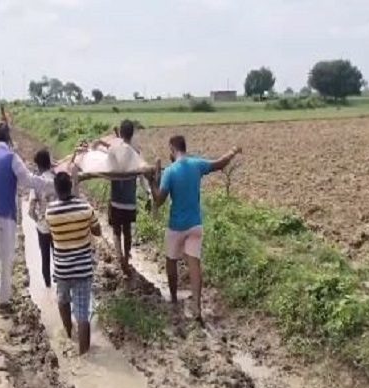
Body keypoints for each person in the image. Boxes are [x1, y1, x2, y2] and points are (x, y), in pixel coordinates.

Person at [149, 135, 242, 323]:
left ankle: (174, 298)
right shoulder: (197, 164)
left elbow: (159, 200)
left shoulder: (170, 172)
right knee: (194, 266)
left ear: (172, 150)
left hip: (176, 226)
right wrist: (233, 151)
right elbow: (219, 164)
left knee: (171, 262)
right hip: (195, 225)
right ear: (185, 148)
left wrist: (152, 182)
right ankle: (197, 308)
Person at [0, 122, 55, 312]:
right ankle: (4, 301)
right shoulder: (12, 157)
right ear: (8, 140)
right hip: (6, 214)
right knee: (5, 258)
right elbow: (28, 181)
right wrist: (50, 184)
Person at [45, 171, 101, 355]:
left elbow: (48, 233)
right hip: (83, 269)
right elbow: (98, 231)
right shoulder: (85, 208)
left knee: (62, 300)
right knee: (82, 312)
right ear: (71, 187)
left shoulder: (50, 211)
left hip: (62, 269)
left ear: (56, 189)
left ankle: (69, 335)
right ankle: (84, 353)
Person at [92, 120, 151, 273]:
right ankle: (126, 257)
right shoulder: (136, 152)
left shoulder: (113, 150)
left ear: (121, 133)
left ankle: (120, 258)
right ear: (132, 134)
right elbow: (143, 177)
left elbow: (106, 165)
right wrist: (148, 195)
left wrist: (98, 145)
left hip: (116, 200)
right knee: (127, 231)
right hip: (130, 202)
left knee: (116, 231)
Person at [28, 148, 56, 289]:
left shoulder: (36, 183)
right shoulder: (56, 180)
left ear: (38, 165)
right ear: (50, 164)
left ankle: (48, 285)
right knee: (58, 255)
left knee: (45, 257)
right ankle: (60, 282)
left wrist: (38, 219)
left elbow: (30, 209)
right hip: (58, 224)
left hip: (43, 225)